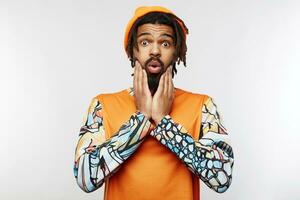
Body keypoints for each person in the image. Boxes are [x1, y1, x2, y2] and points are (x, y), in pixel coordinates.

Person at [73, 5, 234, 200]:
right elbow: (84, 179)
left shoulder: (203, 105)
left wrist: (163, 121)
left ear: (176, 52)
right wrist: (140, 120)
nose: (155, 50)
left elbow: (222, 179)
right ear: (132, 50)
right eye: (145, 42)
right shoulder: (102, 105)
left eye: (165, 43)